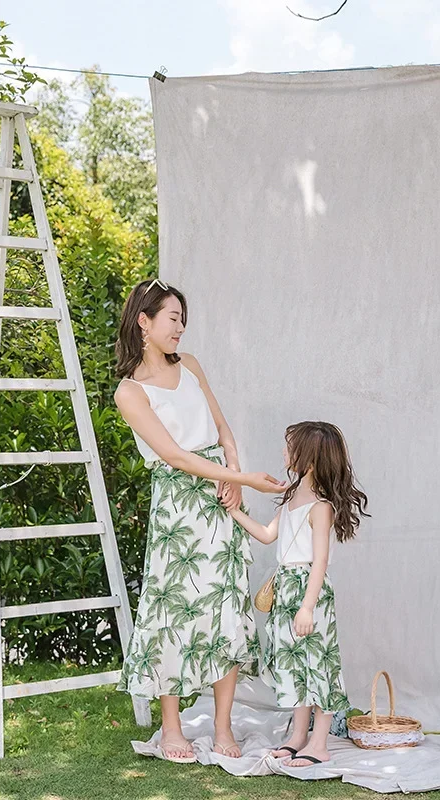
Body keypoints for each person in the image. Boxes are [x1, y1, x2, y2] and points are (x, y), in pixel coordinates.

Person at [113, 278, 285, 763]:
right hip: (179, 506)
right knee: (174, 612)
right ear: (144, 322)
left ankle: (223, 726)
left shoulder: (190, 366)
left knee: (226, 609)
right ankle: (172, 728)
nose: (181, 329)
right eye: (173, 319)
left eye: (183, 320)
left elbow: (222, 427)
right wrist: (243, 477)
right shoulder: (130, 392)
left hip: (222, 498)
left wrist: (233, 474)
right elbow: (173, 455)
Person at [228, 421, 369, 767]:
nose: (283, 452)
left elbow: (320, 560)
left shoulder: (320, 506)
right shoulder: (292, 497)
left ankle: (319, 744)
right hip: (285, 587)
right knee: (294, 663)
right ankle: (297, 736)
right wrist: (234, 511)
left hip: (308, 591)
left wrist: (308, 606)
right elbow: (266, 535)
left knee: (319, 664)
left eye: (289, 447)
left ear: (307, 459)